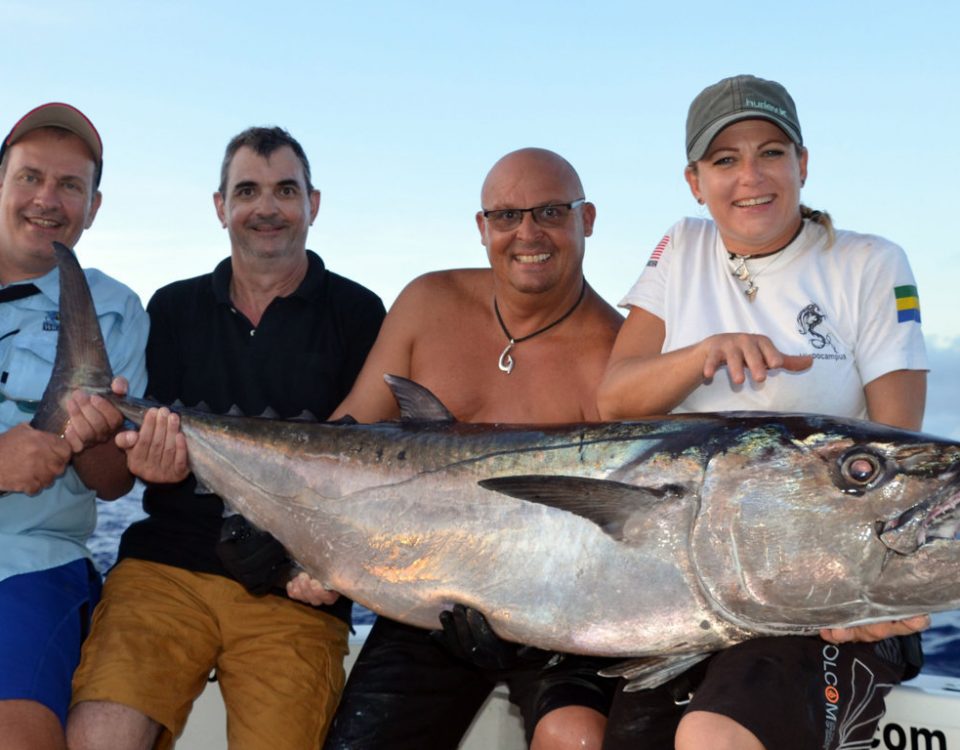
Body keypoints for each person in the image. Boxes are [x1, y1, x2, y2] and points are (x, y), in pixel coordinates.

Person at [596, 74, 929, 750]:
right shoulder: (681, 247)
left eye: (771, 152)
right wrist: (702, 355)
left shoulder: (870, 263)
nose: (751, 175)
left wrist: (871, 597)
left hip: (820, 597)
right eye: (725, 159)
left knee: (713, 737)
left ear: (802, 165)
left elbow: (902, 465)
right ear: (695, 180)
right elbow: (613, 400)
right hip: (688, 591)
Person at [288, 147, 624, 750]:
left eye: (550, 212)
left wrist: (527, 621)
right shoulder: (428, 302)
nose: (527, 233)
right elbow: (341, 442)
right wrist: (292, 538)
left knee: (577, 738)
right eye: (505, 216)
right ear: (481, 227)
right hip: (424, 603)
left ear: (587, 219)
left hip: (560, 618)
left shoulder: (617, 358)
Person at [66, 126, 386, 750]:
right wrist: (145, 462)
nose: (266, 208)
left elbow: (371, 473)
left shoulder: (360, 314)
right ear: (221, 208)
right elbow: (119, 476)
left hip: (295, 589)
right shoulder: (173, 308)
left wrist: (330, 568)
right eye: (247, 191)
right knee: (99, 737)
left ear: (312, 204)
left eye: (284, 190)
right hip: (166, 570)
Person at [0, 103, 148, 750]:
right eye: (30, 177)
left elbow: (114, 485)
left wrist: (91, 440)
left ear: (93, 205)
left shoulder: (116, 312)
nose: (47, 200)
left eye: (71, 186)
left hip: (30, 565)